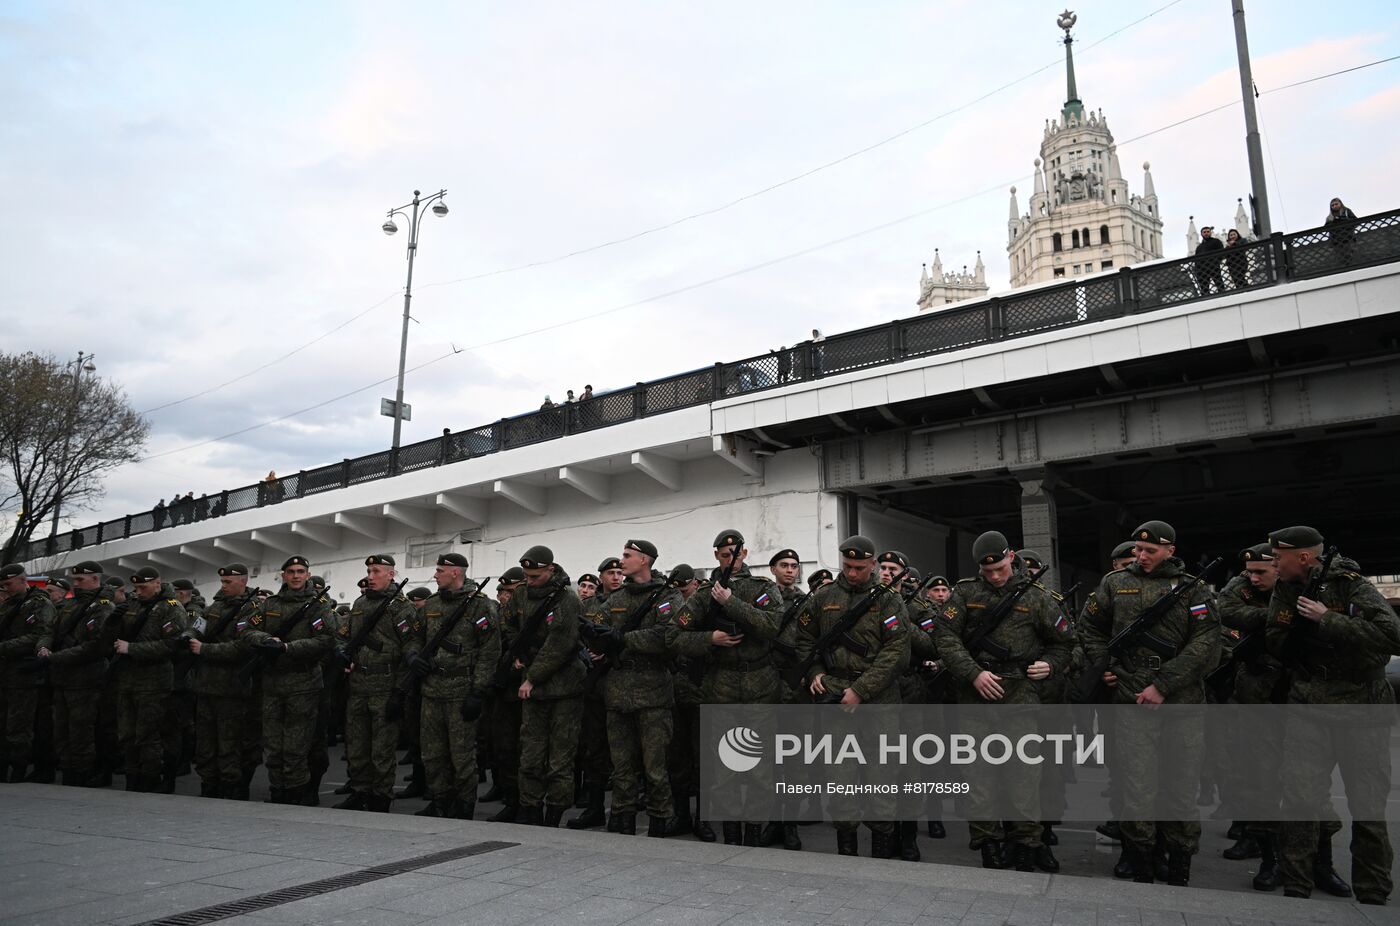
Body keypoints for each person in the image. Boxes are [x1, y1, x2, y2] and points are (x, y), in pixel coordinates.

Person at [1078, 521, 1220, 886]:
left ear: (1170, 550)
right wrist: (1106, 665)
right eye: (1138, 550)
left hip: (1180, 702)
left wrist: (1163, 684)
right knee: (1137, 785)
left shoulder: (1193, 588)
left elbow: (1206, 646)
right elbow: (1090, 628)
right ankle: (1140, 858)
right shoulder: (1114, 583)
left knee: (1180, 787)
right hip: (1129, 696)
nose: (1141, 556)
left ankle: (1178, 863)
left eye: (1150, 551)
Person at [1265, 525, 1399, 906]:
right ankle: (1296, 887)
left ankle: (1373, 894)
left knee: (1367, 804)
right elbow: (1276, 637)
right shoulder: (1286, 588)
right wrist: (1296, 636)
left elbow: (1393, 635)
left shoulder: (1351, 584)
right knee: (1298, 800)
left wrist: (1328, 620)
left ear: (1304, 557)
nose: (1275, 563)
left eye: (1279, 558)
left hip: (1362, 706)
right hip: (1309, 703)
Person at [935, 534, 1075, 872]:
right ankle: (989, 846)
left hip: (1021, 696)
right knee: (979, 778)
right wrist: (973, 673)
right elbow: (944, 635)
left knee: (1024, 777)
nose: (995, 576)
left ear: (1011, 557)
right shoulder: (966, 593)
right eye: (989, 571)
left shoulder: (1037, 597)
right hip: (976, 695)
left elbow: (1065, 642)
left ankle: (1026, 845)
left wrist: (1051, 665)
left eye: (1000, 568)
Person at [793, 536, 910, 858]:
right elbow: (804, 639)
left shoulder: (888, 600)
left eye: (860, 567)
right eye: (847, 566)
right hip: (834, 697)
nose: (853, 573)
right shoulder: (824, 597)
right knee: (840, 776)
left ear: (872, 565)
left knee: (881, 776)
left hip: (878, 701)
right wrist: (815, 673)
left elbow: (897, 652)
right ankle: (846, 848)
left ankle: (882, 849)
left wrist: (861, 690)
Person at [674, 530, 788, 847]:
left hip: (760, 688)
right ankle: (731, 834)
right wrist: (710, 639)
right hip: (719, 689)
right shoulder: (702, 594)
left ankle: (753, 832)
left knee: (759, 769)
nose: (731, 560)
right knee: (722, 767)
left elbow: (772, 626)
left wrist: (731, 603)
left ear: (745, 554)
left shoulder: (762, 588)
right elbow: (674, 637)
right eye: (725, 555)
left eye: (735, 555)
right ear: (716, 557)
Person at [591, 540, 683, 836]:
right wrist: (597, 642)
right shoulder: (616, 598)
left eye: (627, 556)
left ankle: (659, 823)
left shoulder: (668, 596)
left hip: (652, 691)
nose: (622, 561)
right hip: (618, 691)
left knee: (655, 769)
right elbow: (598, 629)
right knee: (621, 767)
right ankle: (621, 819)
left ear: (645, 560)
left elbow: (667, 636)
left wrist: (623, 640)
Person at [498, 546, 585, 827]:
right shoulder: (522, 593)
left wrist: (531, 677)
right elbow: (508, 622)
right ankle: (530, 809)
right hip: (534, 690)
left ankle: (554, 814)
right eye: (526, 575)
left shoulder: (566, 599)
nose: (530, 580)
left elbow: (559, 647)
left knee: (560, 759)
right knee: (530, 755)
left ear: (550, 569)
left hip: (563, 689)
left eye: (535, 575)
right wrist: (518, 651)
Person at [242, 556, 335, 805]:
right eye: (291, 571)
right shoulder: (269, 603)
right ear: (283, 575)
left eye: (300, 571)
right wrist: (266, 640)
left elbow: (325, 640)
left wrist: (286, 647)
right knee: (272, 746)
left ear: (307, 574)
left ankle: (295, 797)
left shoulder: (319, 605)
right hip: (272, 684)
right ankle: (277, 792)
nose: (295, 576)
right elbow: (246, 629)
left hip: (303, 684)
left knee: (295, 748)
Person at [413, 553, 499, 820]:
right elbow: (417, 637)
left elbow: (490, 652)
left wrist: (478, 691)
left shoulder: (480, 606)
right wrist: (413, 657)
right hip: (432, 689)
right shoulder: (431, 604)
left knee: (461, 755)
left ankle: (463, 805)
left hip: (461, 689)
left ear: (455, 573)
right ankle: (440, 800)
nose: (435, 574)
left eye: (440, 570)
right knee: (432, 752)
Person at [334, 555, 416, 813]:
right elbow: (343, 635)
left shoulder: (401, 606)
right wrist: (342, 653)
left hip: (385, 684)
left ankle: (380, 797)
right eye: (369, 571)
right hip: (358, 685)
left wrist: (399, 692)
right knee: (356, 745)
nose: (370, 576)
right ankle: (359, 792)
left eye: (376, 571)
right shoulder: (359, 603)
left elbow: (411, 647)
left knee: (381, 750)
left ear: (391, 574)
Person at [186, 564, 260, 799]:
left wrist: (205, 650)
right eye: (223, 582)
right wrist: (190, 635)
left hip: (231, 689)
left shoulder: (252, 609)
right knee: (206, 743)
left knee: (230, 743)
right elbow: (198, 627)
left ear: (243, 582)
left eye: (229, 582)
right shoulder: (215, 607)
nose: (224, 586)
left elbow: (243, 647)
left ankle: (232, 788)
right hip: (206, 685)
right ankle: (209, 784)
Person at [110, 567, 186, 792]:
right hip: (128, 680)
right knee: (127, 733)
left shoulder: (171, 608)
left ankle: (150, 779)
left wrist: (132, 649)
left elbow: (172, 645)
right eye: (136, 587)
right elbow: (112, 638)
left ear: (157, 583)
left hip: (154, 682)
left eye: (143, 586)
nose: (139, 591)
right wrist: (113, 620)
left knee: (148, 734)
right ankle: (132, 777)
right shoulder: (132, 604)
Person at [36, 562, 112, 787]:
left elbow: (96, 646)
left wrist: (56, 657)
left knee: (81, 730)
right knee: (61, 729)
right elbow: (49, 631)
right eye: (74, 580)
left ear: (95, 579)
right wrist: (44, 647)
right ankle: (68, 769)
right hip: (62, 678)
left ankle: (81, 773)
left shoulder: (103, 607)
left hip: (86, 679)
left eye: (80, 580)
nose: (75, 584)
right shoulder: (70, 605)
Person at [0, 564, 57, 782]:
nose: (5, 589)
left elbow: (40, 635)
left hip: (23, 674)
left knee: (18, 726)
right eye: (2, 585)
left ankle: (18, 768)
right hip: (5, 673)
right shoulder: (7, 605)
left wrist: (4, 647)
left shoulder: (39, 604)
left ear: (23, 581)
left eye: (8, 584)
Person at [1325, 197, 1359, 266]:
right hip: (1336, 241)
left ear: (1340, 204)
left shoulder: (1347, 211)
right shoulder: (1329, 217)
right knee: (1339, 258)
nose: (1334, 206)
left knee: (1350, 256)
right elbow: (1326, 228)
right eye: (1332, 205)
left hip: (1348, 238)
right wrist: (1333, 222)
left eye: (1336, 204)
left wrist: (1342, 219)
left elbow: (1356, 221)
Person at [1194, 226, 1226, 294]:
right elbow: (1196, 259)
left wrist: (1215, 261)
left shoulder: (1216, 241)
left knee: (1219, 284)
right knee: (1204, 288)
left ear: (1210, 233)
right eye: (1204, 232)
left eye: (1208, 232)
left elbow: (1221, 253)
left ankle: (1224, 296)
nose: (1206, 233)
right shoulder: (1199, 247)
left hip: (1214, 267)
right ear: (1201, 234)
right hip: (1202, 270)